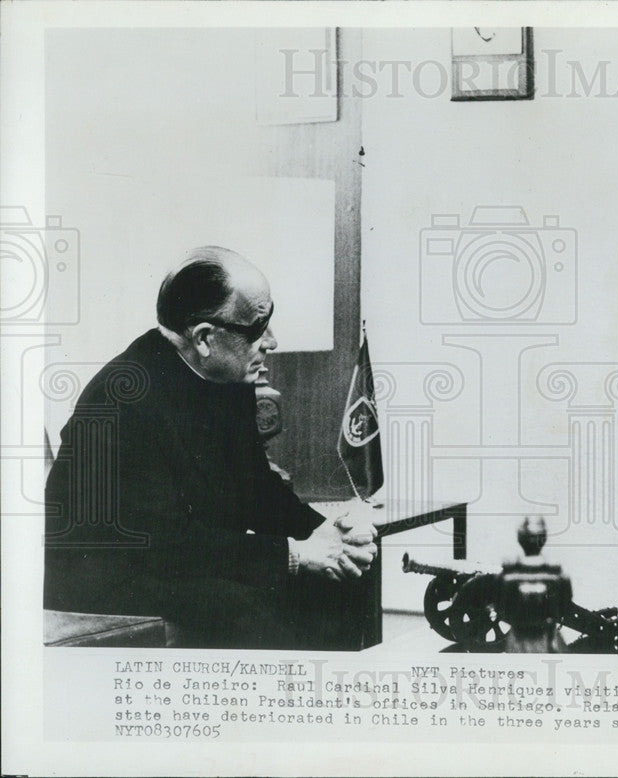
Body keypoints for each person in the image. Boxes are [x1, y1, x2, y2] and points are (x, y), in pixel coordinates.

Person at [44, 246, 378, 649]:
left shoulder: (226, 376)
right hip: (110, 578)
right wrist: (294, 554)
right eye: (257, 329)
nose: (272, 341)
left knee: (341, 581)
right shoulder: (121, 400)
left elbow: (256, 486)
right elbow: (162, 539)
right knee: (241, 607)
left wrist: (328, 536)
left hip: (182, 560)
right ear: (204, 338)